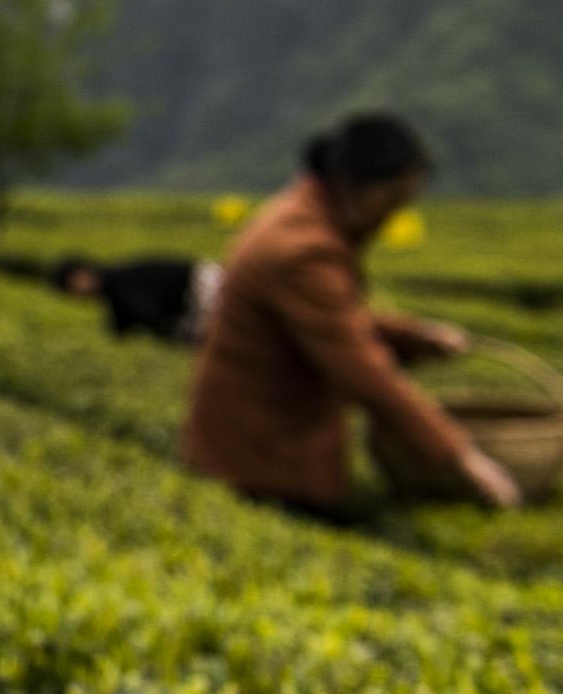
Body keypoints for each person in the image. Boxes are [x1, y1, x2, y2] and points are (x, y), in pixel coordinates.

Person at [183, 112, 520, 517]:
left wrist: (413, 336)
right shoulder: (300, 248)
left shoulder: (304, 212)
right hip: (260, 459)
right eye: (392, 199)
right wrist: (461, 456)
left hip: (258, 444)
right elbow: (363, 369)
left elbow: (325, 315)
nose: (393, 216)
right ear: (353, 184)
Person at [52, 254, 221, 344]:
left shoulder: (118, 283)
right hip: (201, 292)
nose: (79, 290)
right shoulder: (114, 290)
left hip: (204, 289)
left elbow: (151, 315)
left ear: (84, 271)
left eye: (76, 282)